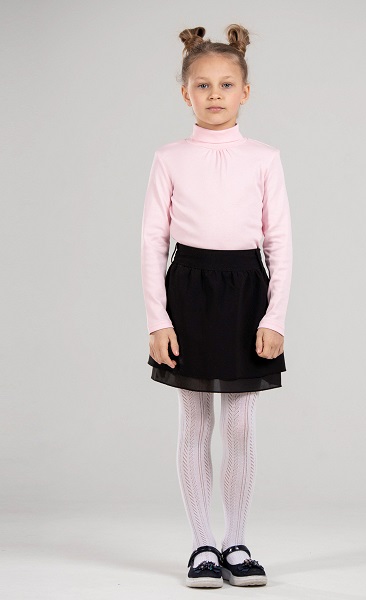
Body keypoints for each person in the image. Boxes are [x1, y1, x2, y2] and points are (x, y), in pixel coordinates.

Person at [140, 23, 293, 589]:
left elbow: (279, 241)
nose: (214, 94)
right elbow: (152, 240)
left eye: (226, 84)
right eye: (202, 85)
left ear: (245, 92)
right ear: (185, 93)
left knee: (241, 424)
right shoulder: (169, 157)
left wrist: (274, 316)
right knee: (195, 421)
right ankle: (202, 544)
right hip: (189, 288)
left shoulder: (264, 158)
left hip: (247, 289)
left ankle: (238, 542)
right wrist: (158, 318)